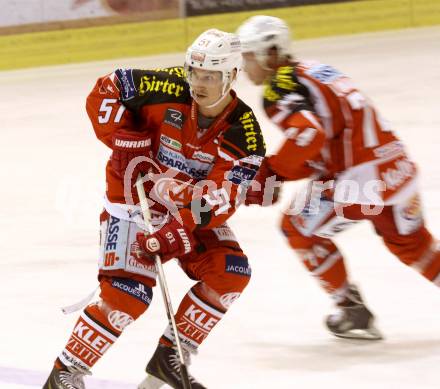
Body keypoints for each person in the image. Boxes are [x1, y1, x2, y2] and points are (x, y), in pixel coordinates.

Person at [43, 28, 265, 389]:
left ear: (232, 76)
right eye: (195, 72)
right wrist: (120, 135)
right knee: (126, 292)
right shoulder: (164, 85)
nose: (200, 83)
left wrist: (180, 227)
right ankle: (65, 373)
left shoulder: (245, 131)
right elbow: (105, 88)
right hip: (133, 199)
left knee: (231, 272)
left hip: (186, 210)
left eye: (211, 75)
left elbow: (225, 194)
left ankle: (170, 359)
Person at [236, 15, 440, 340]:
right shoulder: (316, 70)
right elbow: (326, 142)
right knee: (415, 247)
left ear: (271, 53)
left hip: (360, 182)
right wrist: (280, 174)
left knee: (296, 227)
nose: (245, 67)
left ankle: (351, 310)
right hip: (398, 169)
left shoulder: (280, 88)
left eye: (248, 56)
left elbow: (310, 134)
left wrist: (272, 171)